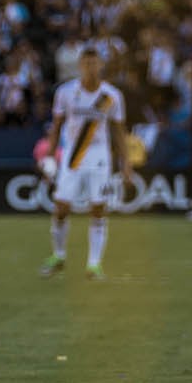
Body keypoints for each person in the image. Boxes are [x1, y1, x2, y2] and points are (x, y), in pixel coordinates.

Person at [40, 48, 130, 280]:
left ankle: (94, 264)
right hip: (72, 154)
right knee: (61, 207)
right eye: (86, 63)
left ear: (100, 65)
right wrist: (50, 156)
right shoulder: (66, 92)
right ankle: (58, 255)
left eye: (94, 63)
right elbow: (56, 126)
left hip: (100, 156)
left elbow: (119, 132)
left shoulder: (112, 96)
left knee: (98, 209)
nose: (90, 67)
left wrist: (126, 163)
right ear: (80, 65)